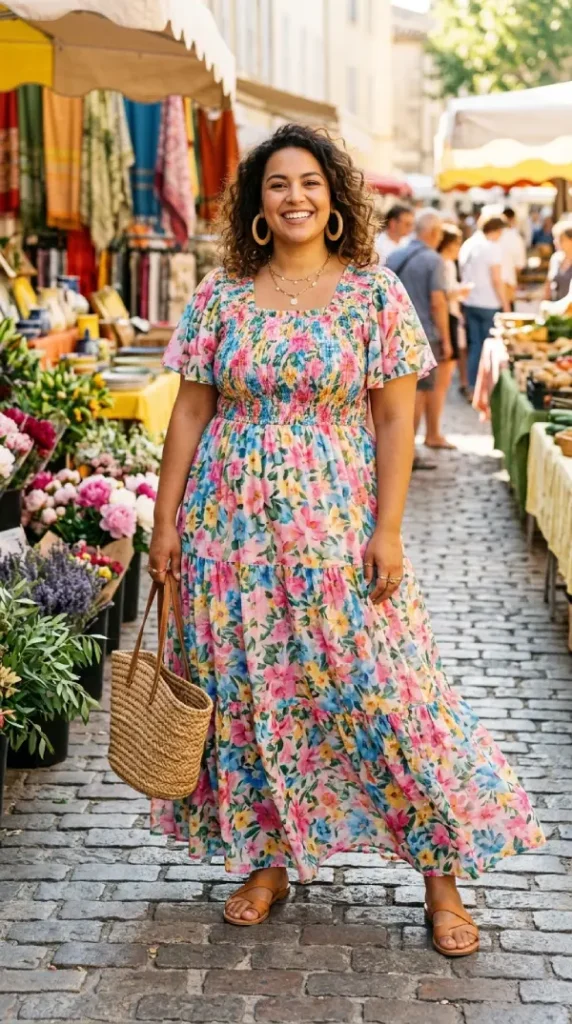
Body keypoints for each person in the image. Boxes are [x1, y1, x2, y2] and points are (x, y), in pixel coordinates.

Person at [148, 124, 544, 957]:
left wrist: (389, 529)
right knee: (251, 697)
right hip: (229, 536)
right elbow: (191, 409)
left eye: (311, 183)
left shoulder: (372, 293)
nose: (294, 197)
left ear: (335, 201)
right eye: (278, 185)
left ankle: (443, 876)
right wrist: (165, 524)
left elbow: (398, 415)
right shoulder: (223, 295)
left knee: (388, 694)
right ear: (257, 205)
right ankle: (266, 863)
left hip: (337, 526)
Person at [387, 208, 455, 452]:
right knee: (419, 392)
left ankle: (399, 447)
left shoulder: (395, 255)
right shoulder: (433, 260)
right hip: (423, 334)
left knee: (398, 395)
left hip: (394, 335)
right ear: (435, 232)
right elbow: (438, 302)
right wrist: (447, 340)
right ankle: (408, 451)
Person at [459, 215, 509, 394]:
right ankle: (487, 390)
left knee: (475, 346)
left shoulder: (468, 244)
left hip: (471, 302)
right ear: (496, 230)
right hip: (489, 303)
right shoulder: (492, 247)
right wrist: (506, 304)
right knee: (490, 348)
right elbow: (496, 280)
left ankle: (472, 386)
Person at [438, 223, 471, 398]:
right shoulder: (443, 264)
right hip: (448, 315)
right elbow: (443, 295)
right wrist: (461, 292)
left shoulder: (448, 263)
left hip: (452, 313)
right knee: (449, 360)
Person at [499, 207, 526, 310]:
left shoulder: (489, 237)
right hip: (507, 286)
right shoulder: (515, 238)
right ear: (513, 219)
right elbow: (519, 266)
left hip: (491, 290)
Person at [544, 223, 572, 301]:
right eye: (555, 238)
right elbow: (548, 284)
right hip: (556, 307)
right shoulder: (555, 259)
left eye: (561, 239)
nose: (556, 241)